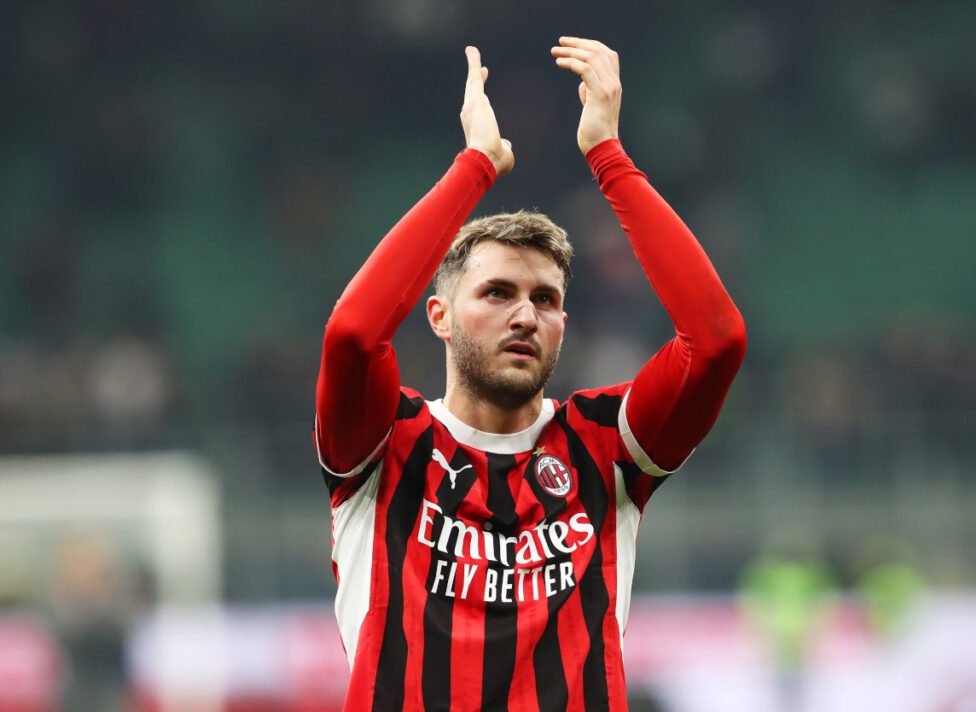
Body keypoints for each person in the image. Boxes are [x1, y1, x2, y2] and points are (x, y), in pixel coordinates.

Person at [315, 37, 746, 711]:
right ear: (438, 315)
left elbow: (716, 343)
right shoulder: (385, 442)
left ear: (564, 325)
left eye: (545, 300)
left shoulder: (605, 447)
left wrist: (608, 156)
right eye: (496, 293)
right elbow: (351, 335)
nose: (525, 315)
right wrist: (475, 167)